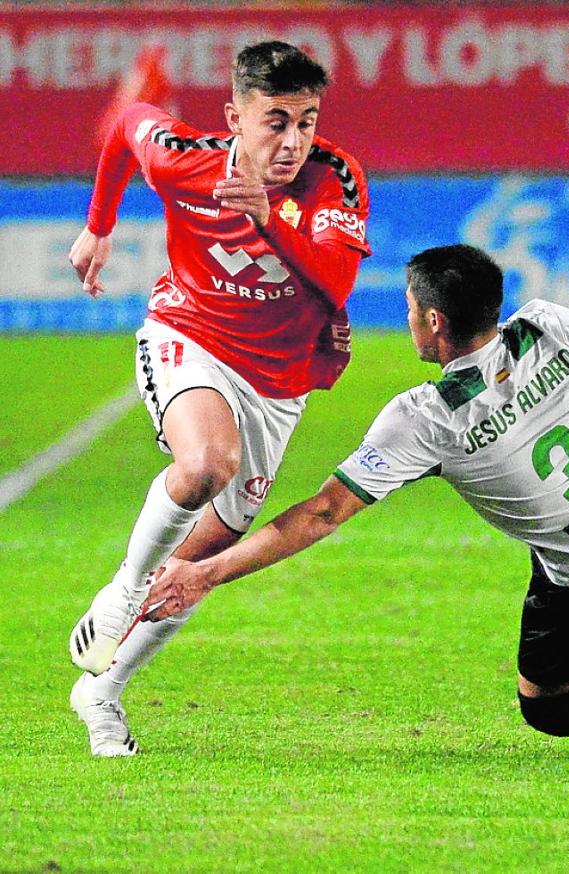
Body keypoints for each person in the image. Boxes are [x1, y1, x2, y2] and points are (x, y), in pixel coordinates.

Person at [144, 244, 569, 747]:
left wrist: (207, 572)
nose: (408, 321)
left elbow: (323, 512)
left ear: (434, 322)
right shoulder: (544, 325)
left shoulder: (426, 416)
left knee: (549, 706)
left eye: (411, 311)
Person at [66, 41, 371, 757]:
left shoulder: (337, 178)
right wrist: (99, 226)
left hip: (277, 383)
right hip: (188, 333)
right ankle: (124, 585)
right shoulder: (184, 157)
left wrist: (269, 216)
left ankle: (101, 694)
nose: (293, 141)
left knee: (195, 571)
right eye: (275, 121)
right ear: (235, 116)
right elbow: (125, 125)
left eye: (307, 120)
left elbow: (336, 283)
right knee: (207, 465)